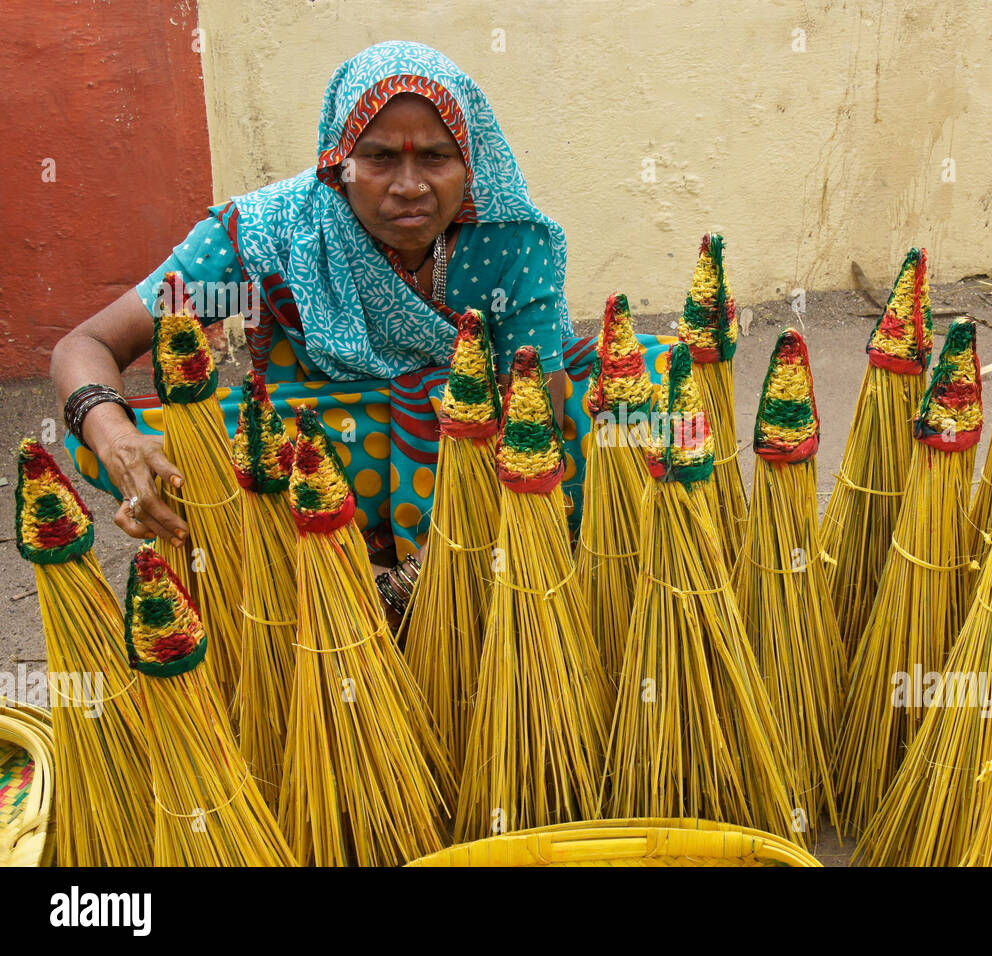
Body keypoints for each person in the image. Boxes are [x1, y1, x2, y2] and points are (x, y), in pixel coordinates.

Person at [51, 40, 672, 605]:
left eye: (436, 157)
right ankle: (333, 564)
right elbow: (88, 345)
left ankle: (444, 573)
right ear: (337, 166)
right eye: (376, 159)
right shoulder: (276, 234)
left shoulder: (508, 239)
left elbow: (539, 415)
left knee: (641, 395)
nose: (409, 186)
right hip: (339, 442)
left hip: (479, 441)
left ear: (471, 164)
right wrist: (118, 441)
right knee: (167, 440)